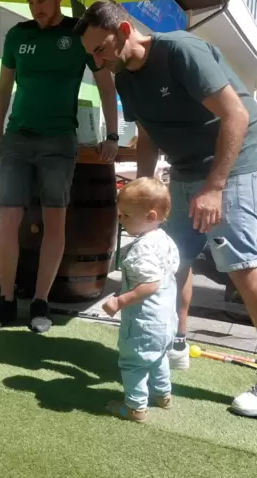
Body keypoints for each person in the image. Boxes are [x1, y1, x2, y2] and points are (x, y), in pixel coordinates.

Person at [76, 0, 257, 417]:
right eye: (91, 54)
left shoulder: (180, 50)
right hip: (183, 170)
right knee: (173, 257)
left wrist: (215, 186)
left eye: (101, 49)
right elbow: (147, 135)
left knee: (238, 263)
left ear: (125, 31)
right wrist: (142, 191)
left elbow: (235, 116)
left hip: (230, 166)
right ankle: (174, 341)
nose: (98, 60)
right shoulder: (124, 78)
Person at [0, 0, 119, 334]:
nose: (36, 9)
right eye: (31, 3)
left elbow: (106, 84)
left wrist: (113, 134)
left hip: (59, 141)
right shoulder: (17, 35)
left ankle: (41, 301)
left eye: (42, 1)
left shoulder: (79, 37)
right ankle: (6, 299)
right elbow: (4, 86)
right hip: (17, 138)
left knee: (54, 221)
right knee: (9, 218)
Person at [101, 177, 179, 422]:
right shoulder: (165, 240)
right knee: (158, 357)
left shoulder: (143, 248)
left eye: (126, 215)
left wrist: (120, 301)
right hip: (167, 319)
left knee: (133, 362)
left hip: (145, 321)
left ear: (150, 216)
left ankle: (135, 407)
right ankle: (163, 394)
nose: (120, 220)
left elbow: (149, 285)